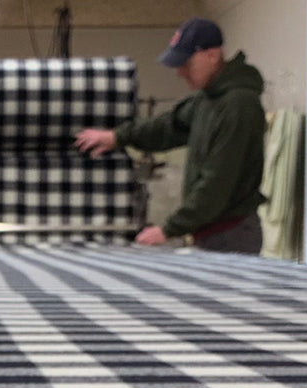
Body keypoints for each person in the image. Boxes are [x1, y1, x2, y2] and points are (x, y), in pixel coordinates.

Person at [74, 18, 268, 254]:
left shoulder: (238, 106)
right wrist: (117, 136)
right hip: (208, 231)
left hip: (231, 234)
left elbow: (217, 183)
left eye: (186, 64)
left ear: (212, 55)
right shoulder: (207, 99)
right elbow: (167, 127)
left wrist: (168, 229)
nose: (180, 72)